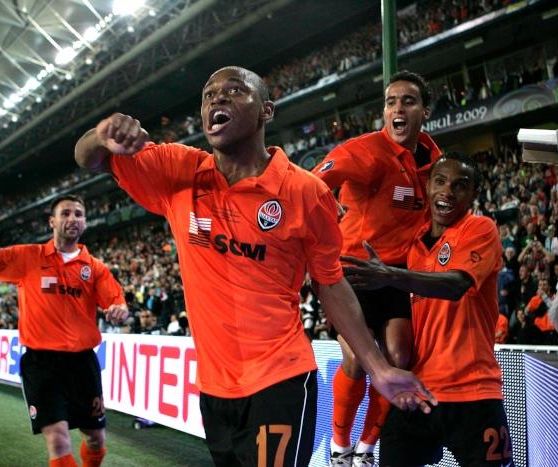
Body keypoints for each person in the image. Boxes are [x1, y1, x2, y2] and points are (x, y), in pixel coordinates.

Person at [74, 66, 436, 466]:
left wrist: (378, 368)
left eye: (233, 91)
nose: (218, 99)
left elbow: (331, 285)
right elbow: (89, 159)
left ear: (267, 111)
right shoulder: (178, 172)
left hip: (280, 380)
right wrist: (100, 134)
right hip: (214, 391)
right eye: (209, 94)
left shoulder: (305, 192)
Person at [342, 153, 513, 466]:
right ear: (427, 188)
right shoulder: (414, 246)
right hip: (417, 392)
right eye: (439, 181)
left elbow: (456, 284)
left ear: (473, 194)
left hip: (473, 393)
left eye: (460, 186)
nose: (447, 191)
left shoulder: (480, 228)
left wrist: (389, 276)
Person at [0, 193, 129, 467]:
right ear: (52, 221)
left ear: (85, 223)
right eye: (65, 213)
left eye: (78, 213)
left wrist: (120, 310)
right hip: (41, 364)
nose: (72, 218)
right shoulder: (27, 257)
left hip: (82, 363)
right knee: (58, 439)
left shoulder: (95, 268)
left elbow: (116, 302)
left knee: (95, 438)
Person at [312, 70, 441, 466]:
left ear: (425, 111)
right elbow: (313, 182)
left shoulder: (434, 163)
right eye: (390, 102)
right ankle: (339, 444)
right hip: (351, 273)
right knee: (358, 359)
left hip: (397, 277)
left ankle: (367, 448)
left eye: (407, 101)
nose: (397, 109)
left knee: (399, 359)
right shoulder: (364, 151)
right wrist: (322, 210)